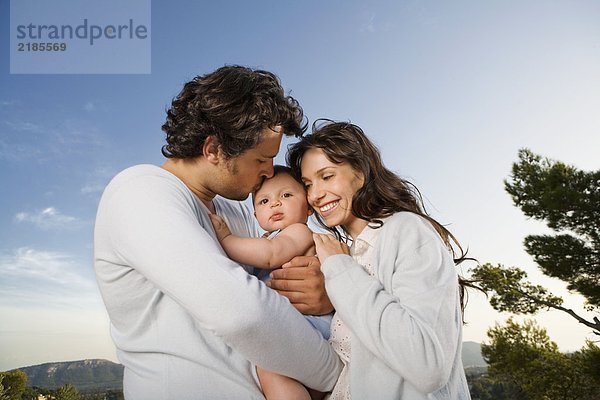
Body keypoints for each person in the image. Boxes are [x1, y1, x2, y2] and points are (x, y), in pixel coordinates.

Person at [94, 66, 342, 400]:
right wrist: (341, 376)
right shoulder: (139, 192)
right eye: (261, 159)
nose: (270, 171)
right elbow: (245, 314)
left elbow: (289, 258)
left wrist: (326, 292)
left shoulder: (233, 209)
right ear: (213, 149)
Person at [280, 120, 473, 399]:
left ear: (360, 171)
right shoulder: (351, 252)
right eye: (308, 184)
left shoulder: (406, 230)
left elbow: (427, 364)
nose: (315, 195)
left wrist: (340, 271)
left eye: (327, 176)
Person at [210, 165, 333, 400]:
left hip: (309, 323)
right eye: (264, 201)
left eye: (286, 195)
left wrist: (226, 239)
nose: (275, 204)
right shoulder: (267, 239)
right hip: (297, 326)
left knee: (270, 368)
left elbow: (271, 254)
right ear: (256, 216)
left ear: (308, 207)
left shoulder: (299, 232)